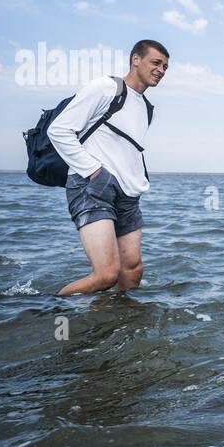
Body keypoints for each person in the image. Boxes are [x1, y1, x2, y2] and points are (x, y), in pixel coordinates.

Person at [48, 40, 167, 296]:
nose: (161, 70)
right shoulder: (106, 88)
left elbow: (126, 150)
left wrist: (136, 185)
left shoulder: (147, 108)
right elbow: (58, 130)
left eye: (165, 67)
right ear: (136, 59)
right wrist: (94, 170)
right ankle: (48, 312)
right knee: (106, 275)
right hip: (92, 187)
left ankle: (113, 324)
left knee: (132, 271)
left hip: (128, 195)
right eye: (156, 63)